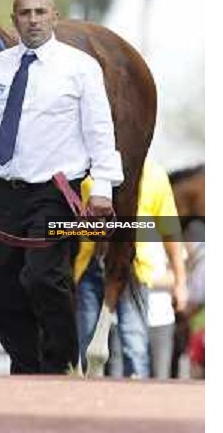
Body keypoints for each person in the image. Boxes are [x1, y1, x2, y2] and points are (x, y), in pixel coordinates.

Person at [0, 0, 124, 374]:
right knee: (3, 296)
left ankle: (58, 366)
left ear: (54, 16)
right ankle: (27, 372)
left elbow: (100, 132)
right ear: (14, 20)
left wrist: (103, 189)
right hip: (4, 195)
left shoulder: (81, 67)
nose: (34, 19)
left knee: (44, 278)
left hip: (55, 193)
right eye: (25, 13)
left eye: (41, 12)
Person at [75, 158, 187, 377]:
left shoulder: (154, 175)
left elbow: (170, 231)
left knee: (134, 344)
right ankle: (84, 402)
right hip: (90, 268)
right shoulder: (88, 175)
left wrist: (181, 282)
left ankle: (135, 405)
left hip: (133, 269)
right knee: (86, 346)